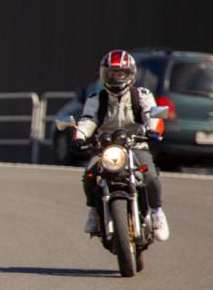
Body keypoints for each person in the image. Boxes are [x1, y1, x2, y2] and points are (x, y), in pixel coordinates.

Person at [71, 49, 170, 249]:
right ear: (104, 74)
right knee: (89, 175)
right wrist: (80, 136)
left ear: (130, 74)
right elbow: (88, 119)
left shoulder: (142, 95)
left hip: (136, 146)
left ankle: (157, 212)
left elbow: (153, 115)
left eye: (120, 73)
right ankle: (94, 210)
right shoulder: (96, 98)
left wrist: (152, 129)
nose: (115, 77)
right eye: (111, 73)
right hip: (105, 149)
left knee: (150, 176)